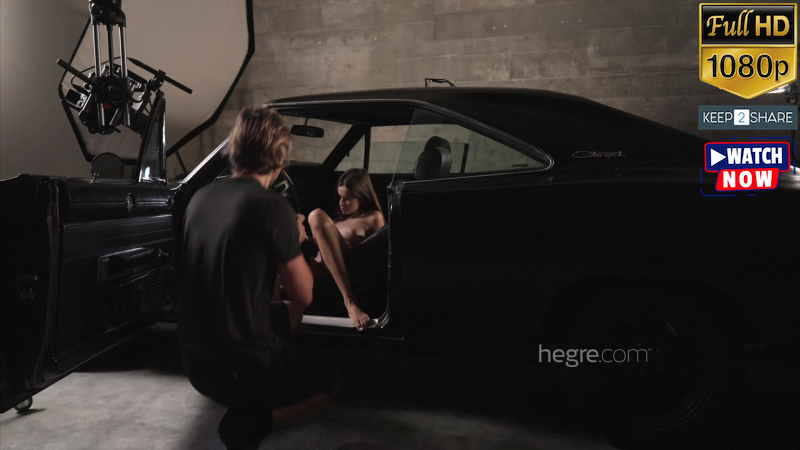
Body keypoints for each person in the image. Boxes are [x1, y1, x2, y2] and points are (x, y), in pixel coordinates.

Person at [177, 107, 337, 450]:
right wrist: (294, 240)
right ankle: (250, 421)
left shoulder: (199, 199)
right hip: (241, 367)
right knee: (328, 384)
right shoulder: (272, 207)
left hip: (194, 360)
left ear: (233, 150)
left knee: (283, 320)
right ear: (281, 157)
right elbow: (304, 295)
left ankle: (249, 404)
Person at [308, 168, 386, 331]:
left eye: (348, 199)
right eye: (340, 197)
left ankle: (350, 303)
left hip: (349, 268)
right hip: (320, 267)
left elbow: (377, 254)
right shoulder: (336, 220)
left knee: (316, 215)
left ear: (362, 197)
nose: (341, 203)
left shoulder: (373, 217)